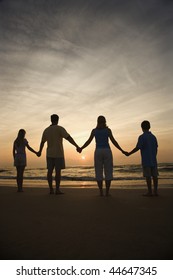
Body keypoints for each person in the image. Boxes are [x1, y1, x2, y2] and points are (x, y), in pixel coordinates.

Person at [78, 116, 126, 196]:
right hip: (107, 151)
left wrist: (81, 148)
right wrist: (122, 150)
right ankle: (107, 192)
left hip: (98, 151)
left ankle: (101, 192)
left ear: (97, 121)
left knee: (98, 172)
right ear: (105, 121)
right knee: (108, 171)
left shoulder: (94, 131)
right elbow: (114, 141)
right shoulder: (108, 130)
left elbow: (88, 141)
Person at [37, 114, 80, 194]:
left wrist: (39, 151)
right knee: (58, 172)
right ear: (58, 120)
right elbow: (68, 138)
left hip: (49, 153)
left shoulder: (46, 130)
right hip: (58, 153)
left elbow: (42, 142)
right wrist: (77, 146)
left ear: (51, 120)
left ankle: (51, 189)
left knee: (49, 172)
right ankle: (57, 189)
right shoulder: (60, 128)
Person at [125, 120, 158, 196]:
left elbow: (138, 147)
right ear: (149, 127)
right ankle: (155, 191)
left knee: (148, 176)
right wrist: (154, 155)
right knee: (155, 176)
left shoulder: (142, 137)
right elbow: (156, 148)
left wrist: (129, 153)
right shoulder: (153, 137)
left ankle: (150, 192)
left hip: (146, 159)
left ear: (141, 128)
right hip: (153, 159)